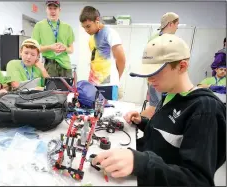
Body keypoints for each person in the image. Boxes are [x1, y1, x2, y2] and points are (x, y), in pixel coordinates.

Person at [92, 34, 226, 186]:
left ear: (182, 66)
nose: (149, 79)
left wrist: (140, 162)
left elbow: (199, 181)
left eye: (156, 72)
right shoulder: (169, 95)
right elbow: (169, 136)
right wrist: (143, 122)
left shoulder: (205, 110)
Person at [79, 6, 126, 100]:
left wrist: (116, 78)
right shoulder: (92, 37)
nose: (86, 30)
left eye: (88, 26)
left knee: (108, 112)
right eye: (84, 27)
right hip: (93, 84)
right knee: (94, 113)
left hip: (108, 84)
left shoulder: (110, 33)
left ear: (97, 20)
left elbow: (121, 59)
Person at [142, 12, 179, 118]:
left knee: (157, 105)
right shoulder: (162, 39)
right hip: (159, 78)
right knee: (157, 107)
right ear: (171, 24)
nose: (177, 28)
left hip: (156, 79)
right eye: (177, 24)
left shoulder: (156, 36)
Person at [32, 0, 75, 78]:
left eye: (55, 8)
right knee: (50, 89)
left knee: (68, 89)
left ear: (59, 10)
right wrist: (50, 47)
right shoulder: (39, 26)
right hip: (49, 65)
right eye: (50, 8)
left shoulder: (67, 27)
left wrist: (65, 48)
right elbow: (35, 49)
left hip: (65, 66)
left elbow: (71, 50)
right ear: (46, 9)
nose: (52, 11)